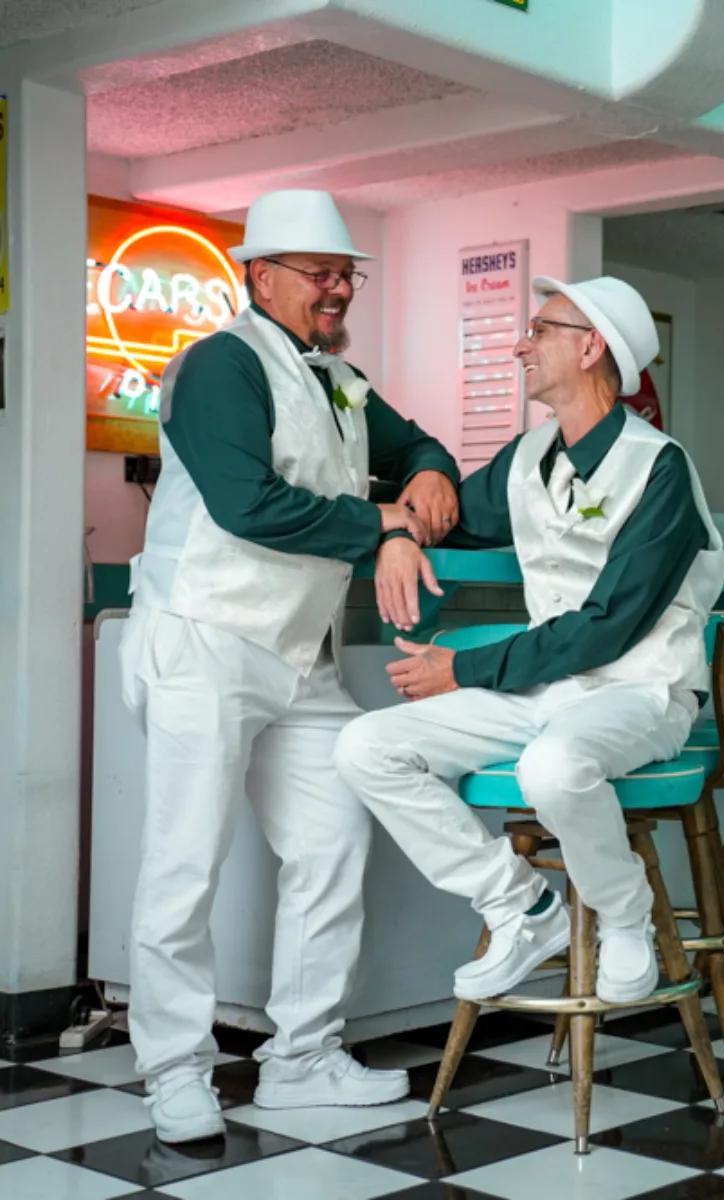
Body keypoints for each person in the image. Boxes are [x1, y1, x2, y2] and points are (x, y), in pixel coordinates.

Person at [121, 188, 461, 1144]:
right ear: (259, 274)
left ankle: (302, 1059)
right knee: (184, 863)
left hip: (297, 655)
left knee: (333, 838)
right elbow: (247, 503)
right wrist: (388, 522)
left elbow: (417, 445)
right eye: (320, 275)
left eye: (347, 276)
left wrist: (428, 470)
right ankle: (174, 1070)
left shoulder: (340, 382)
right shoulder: (217, 366)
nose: (337, 292)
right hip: (206, 638)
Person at [335, 276, 724, 1007]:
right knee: (365, 747)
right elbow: (450, 514)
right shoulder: (529, 458)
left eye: (541, 328)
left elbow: (610, 625)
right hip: (547, 691)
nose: (522, 343)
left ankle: (625, 916)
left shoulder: (660, 469)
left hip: (640, 691)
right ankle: (522, 906)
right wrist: (391, 524)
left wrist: (469, 668)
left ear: (591, 346)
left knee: (553, 769)